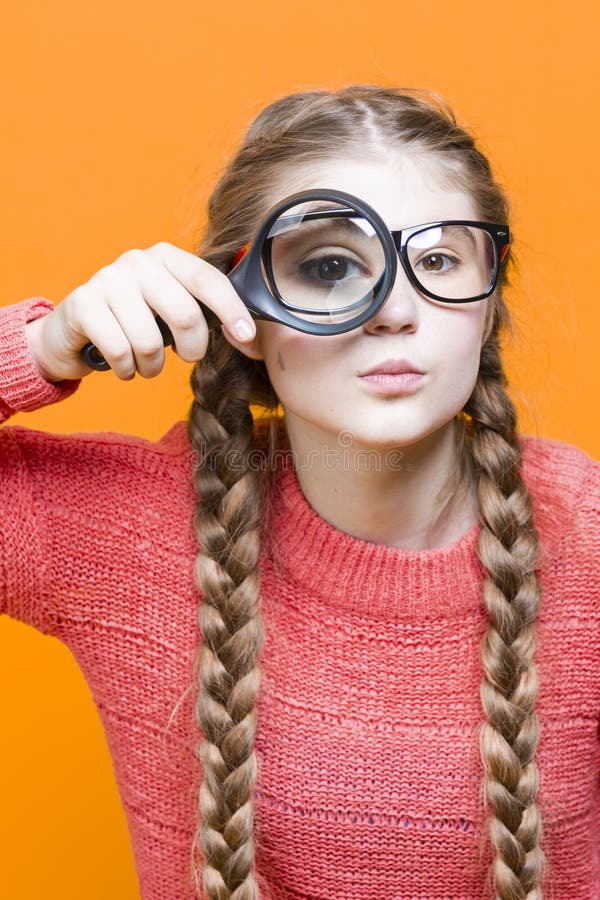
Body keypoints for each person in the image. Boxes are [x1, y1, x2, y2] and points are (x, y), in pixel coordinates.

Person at [0, 85, 598, 900]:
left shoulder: (586, 534)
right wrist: (40, 346)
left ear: (489, 300)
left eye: (436, 261)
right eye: (327, 267)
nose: (392, 309)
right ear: (241, 305)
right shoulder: (132, 536)